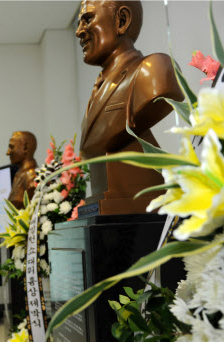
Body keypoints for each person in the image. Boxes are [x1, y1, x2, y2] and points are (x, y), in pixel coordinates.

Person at [76, 0, 183, 213]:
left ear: (121, 21)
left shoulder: (153, 71)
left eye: (88, 19)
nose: (79, 32)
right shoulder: (95, 94)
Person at [6, 131, 37, 209]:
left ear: (25, 148)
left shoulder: (31, 177)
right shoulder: (20, 176)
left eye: (11, 147)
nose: (8, 152)